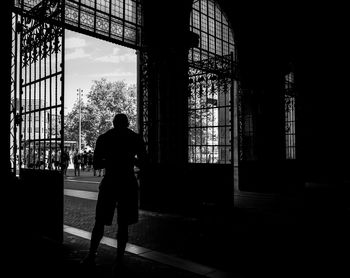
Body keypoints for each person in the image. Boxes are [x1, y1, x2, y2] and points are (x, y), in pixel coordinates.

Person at [81, 113, 147, 272]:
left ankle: (91, 255)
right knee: (123, 224)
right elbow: (144, 162)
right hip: (128, 183)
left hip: (110, 181)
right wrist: (130, 160)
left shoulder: (104, 138)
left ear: (113, 123)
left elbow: (96, 164)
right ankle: (119, 260)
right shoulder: (135, 138)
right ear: (127, 123)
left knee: (100, 221)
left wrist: (111, 160)